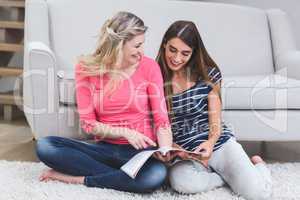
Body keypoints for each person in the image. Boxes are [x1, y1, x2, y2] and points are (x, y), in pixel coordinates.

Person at [35, 11, 173, 193]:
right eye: (137, 46)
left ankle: (76, 178)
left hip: (139, 153)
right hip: (102, 150)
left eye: (142, 44)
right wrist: (125, 132)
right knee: (45, 147)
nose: (142, 51)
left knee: (156, 174)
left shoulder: (149, 67)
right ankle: (123, 177)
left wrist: (165, 149)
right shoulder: (86, 69)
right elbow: (89, 124)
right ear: (118, 45)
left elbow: (162, 120)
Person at [156, 20, 272, 200]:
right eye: (172, 50)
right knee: (182, 183)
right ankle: (225, 177)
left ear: (193, 52)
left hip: (217, 144)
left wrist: (210, 143)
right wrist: (176, 149)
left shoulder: (208, 75)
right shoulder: (155, 77)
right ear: (164, 44)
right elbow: (157, 124)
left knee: (259, 195)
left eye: (185, 53)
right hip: (186, 154)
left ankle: (259, 166)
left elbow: (216, 121)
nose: (177, 58)